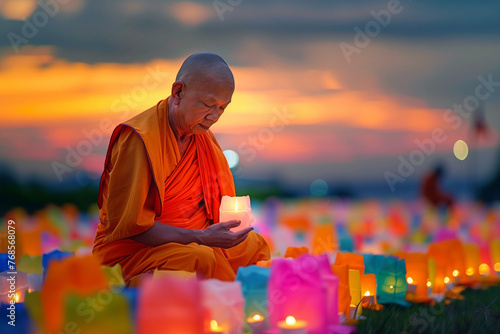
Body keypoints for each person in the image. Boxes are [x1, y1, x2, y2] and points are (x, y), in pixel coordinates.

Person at [92, 52, 270, 284]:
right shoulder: (139, 140)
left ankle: (234, 304)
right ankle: (136, 289)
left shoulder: (203, 138)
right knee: (199, 258)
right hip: (135, 253)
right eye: (208, 104)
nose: (215, 116)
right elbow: (132, 228)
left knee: (254, 246)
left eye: (222, 108)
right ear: (178, 93)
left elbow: (213, 207)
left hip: (194, 240)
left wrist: (220, 232)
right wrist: (202, 237)